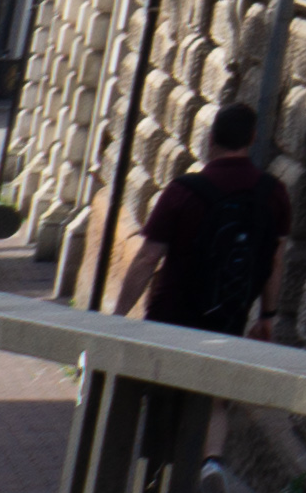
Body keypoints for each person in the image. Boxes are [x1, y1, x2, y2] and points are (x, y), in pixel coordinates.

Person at [116, 100, 289, 336]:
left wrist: (118, 317)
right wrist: (267, 316)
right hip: (227, 326)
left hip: (169, 322)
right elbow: (275, 260)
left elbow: (148, 258)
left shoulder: (182, 191)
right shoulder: (274, 193)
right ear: (252, 138)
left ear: (211, 138)